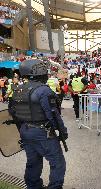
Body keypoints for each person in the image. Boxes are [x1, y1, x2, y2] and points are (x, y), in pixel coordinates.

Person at [12, 59, 68, 189]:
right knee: (58, 163)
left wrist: (23, 131)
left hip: (25, 131)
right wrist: (63, 132)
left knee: (33, 162)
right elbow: (53, 115)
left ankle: (33, 186)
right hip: (42, 132)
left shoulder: (18, 90)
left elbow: (13, 113)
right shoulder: (44, 90)